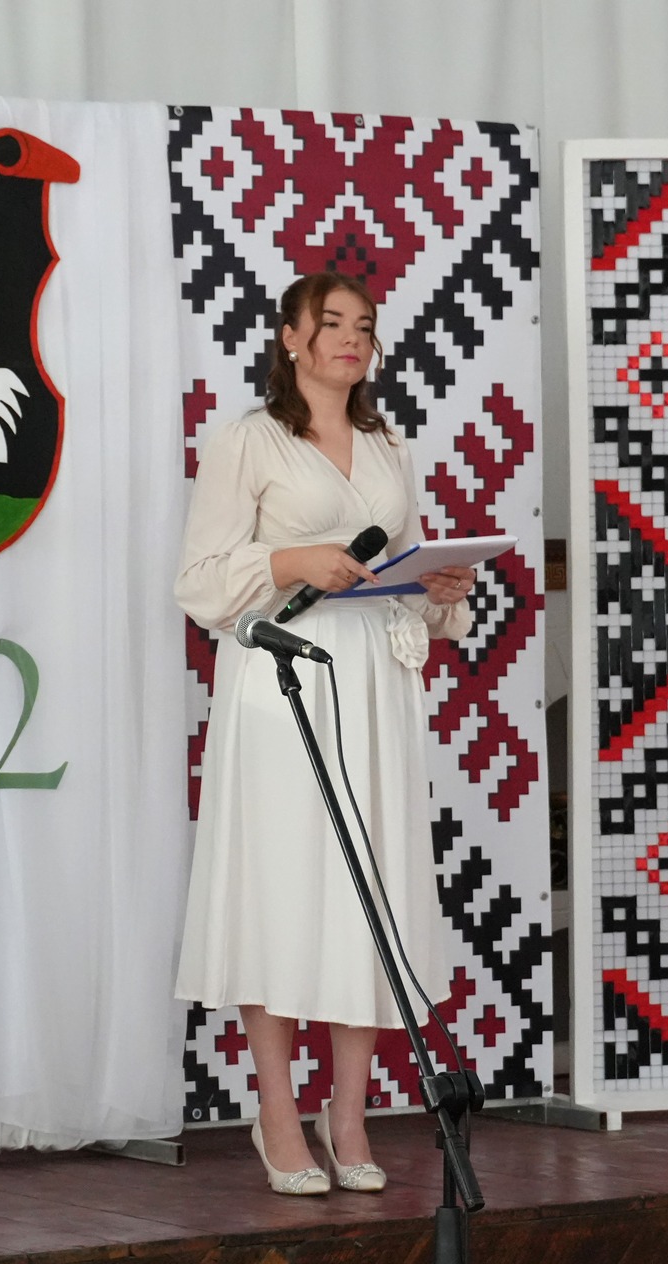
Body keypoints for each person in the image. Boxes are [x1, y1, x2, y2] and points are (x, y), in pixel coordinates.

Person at [174, 272, 475, 1196]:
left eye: (365, 326)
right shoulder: (248, 440)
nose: (351, 338)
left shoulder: (389, 444)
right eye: (332, 322)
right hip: (282, 680)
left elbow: (409, 581)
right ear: (291, 337)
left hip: (375, 687)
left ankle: (348, 1112)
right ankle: (276, 1109)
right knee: (278, 883)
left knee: (365, 886)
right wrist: (291, 559)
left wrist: (440, 591)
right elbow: (199, 581)